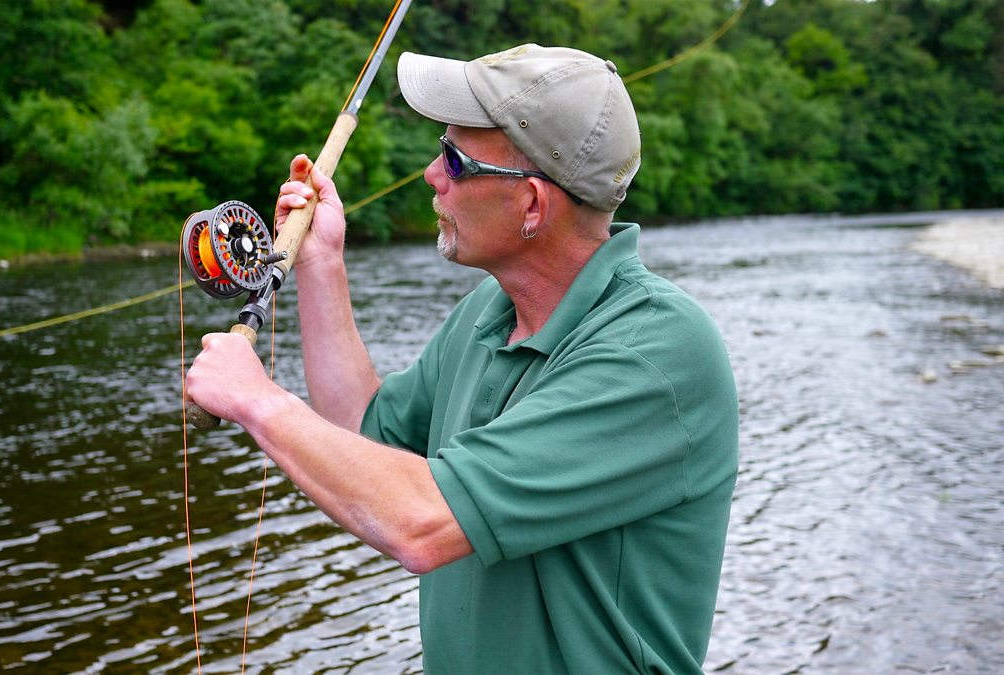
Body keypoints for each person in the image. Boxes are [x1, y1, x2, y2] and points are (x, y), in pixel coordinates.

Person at [187, 44, 739, 674]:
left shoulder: (656, 354)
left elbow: (421, 522)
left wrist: (258, 401)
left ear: (532, 204)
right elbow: (363, 431)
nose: (431, 174)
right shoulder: (489, 310)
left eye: (454, 158)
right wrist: (321, 263)